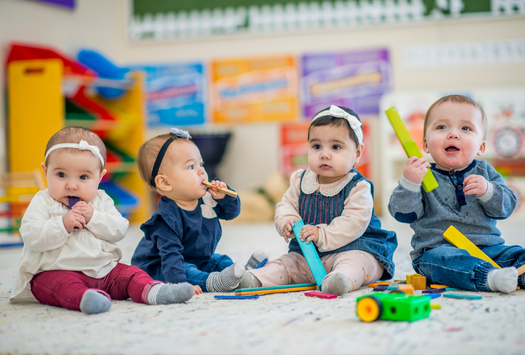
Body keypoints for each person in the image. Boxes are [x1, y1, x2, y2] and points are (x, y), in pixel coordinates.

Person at [11, 127, 194, 314]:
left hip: (104, 270)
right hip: (56, 271)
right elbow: (31, 236)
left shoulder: (101, 200)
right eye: (61, 175)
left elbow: (119, 230)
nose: (71, 185)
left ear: (100, 177)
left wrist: (93, 217)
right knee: (58, 286)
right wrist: (62, 225)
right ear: (45, 170)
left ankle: (154, 291)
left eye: (83, 177)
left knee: (130, 274)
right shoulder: (43, 201)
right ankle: (87, 298)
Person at [238, 105, 398, 295]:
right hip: (307, 255)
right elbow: (286, 205)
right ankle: (258, 278)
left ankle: (341, 280)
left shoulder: (358, 187)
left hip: (353, 248)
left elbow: (354, 223)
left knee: (360, 263)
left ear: (357, 153)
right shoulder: (301, 180)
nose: (324, 154)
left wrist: (321, 234)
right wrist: (286, 221)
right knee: (286, 264)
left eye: (336, 147)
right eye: (316, 146)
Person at [388, 94, 525, 293]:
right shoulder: (421, 175)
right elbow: (403, 214)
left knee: (516, 253)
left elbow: (507, 207)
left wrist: (488, 191)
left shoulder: (485, 172)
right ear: (426, 145)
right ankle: (489, 278)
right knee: (439, 261)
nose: (453, 134)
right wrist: (410, 183)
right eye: (441, 127)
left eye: (466, 128)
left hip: (487, 249)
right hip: (438, 251)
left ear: (481, 146)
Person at [131, 128, 267, 294]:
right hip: (162, 267)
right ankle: (214, 282)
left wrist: (224, 198)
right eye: (191, 166)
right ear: (165, 183)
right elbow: (171, 257)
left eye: (201, 164)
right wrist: (180, 286)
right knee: (188, 270)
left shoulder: (207, 198)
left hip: (199, 258)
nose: (202, 171)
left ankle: (244, 275)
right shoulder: (166, 220)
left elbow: (231, 213)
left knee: (221, 261)